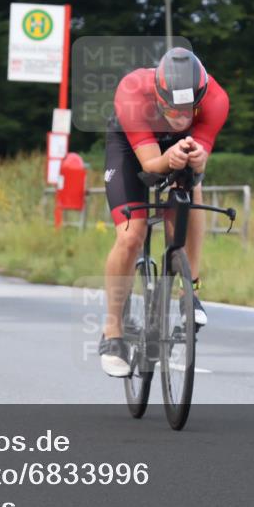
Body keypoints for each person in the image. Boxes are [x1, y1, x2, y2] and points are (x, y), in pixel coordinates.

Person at [98, 47, 229, 377]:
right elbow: (151, 166)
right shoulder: (132, 91)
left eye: (189, 110)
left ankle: (191, 289)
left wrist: (197, 158)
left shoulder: (215, 99)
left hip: (176, 147)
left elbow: (199, 157)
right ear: (158, 94)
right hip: (133, 149)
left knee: (191, 191)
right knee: (131, 234)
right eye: (172, 108)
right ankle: (112, 330)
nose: (181, 116)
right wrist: (168, 159)